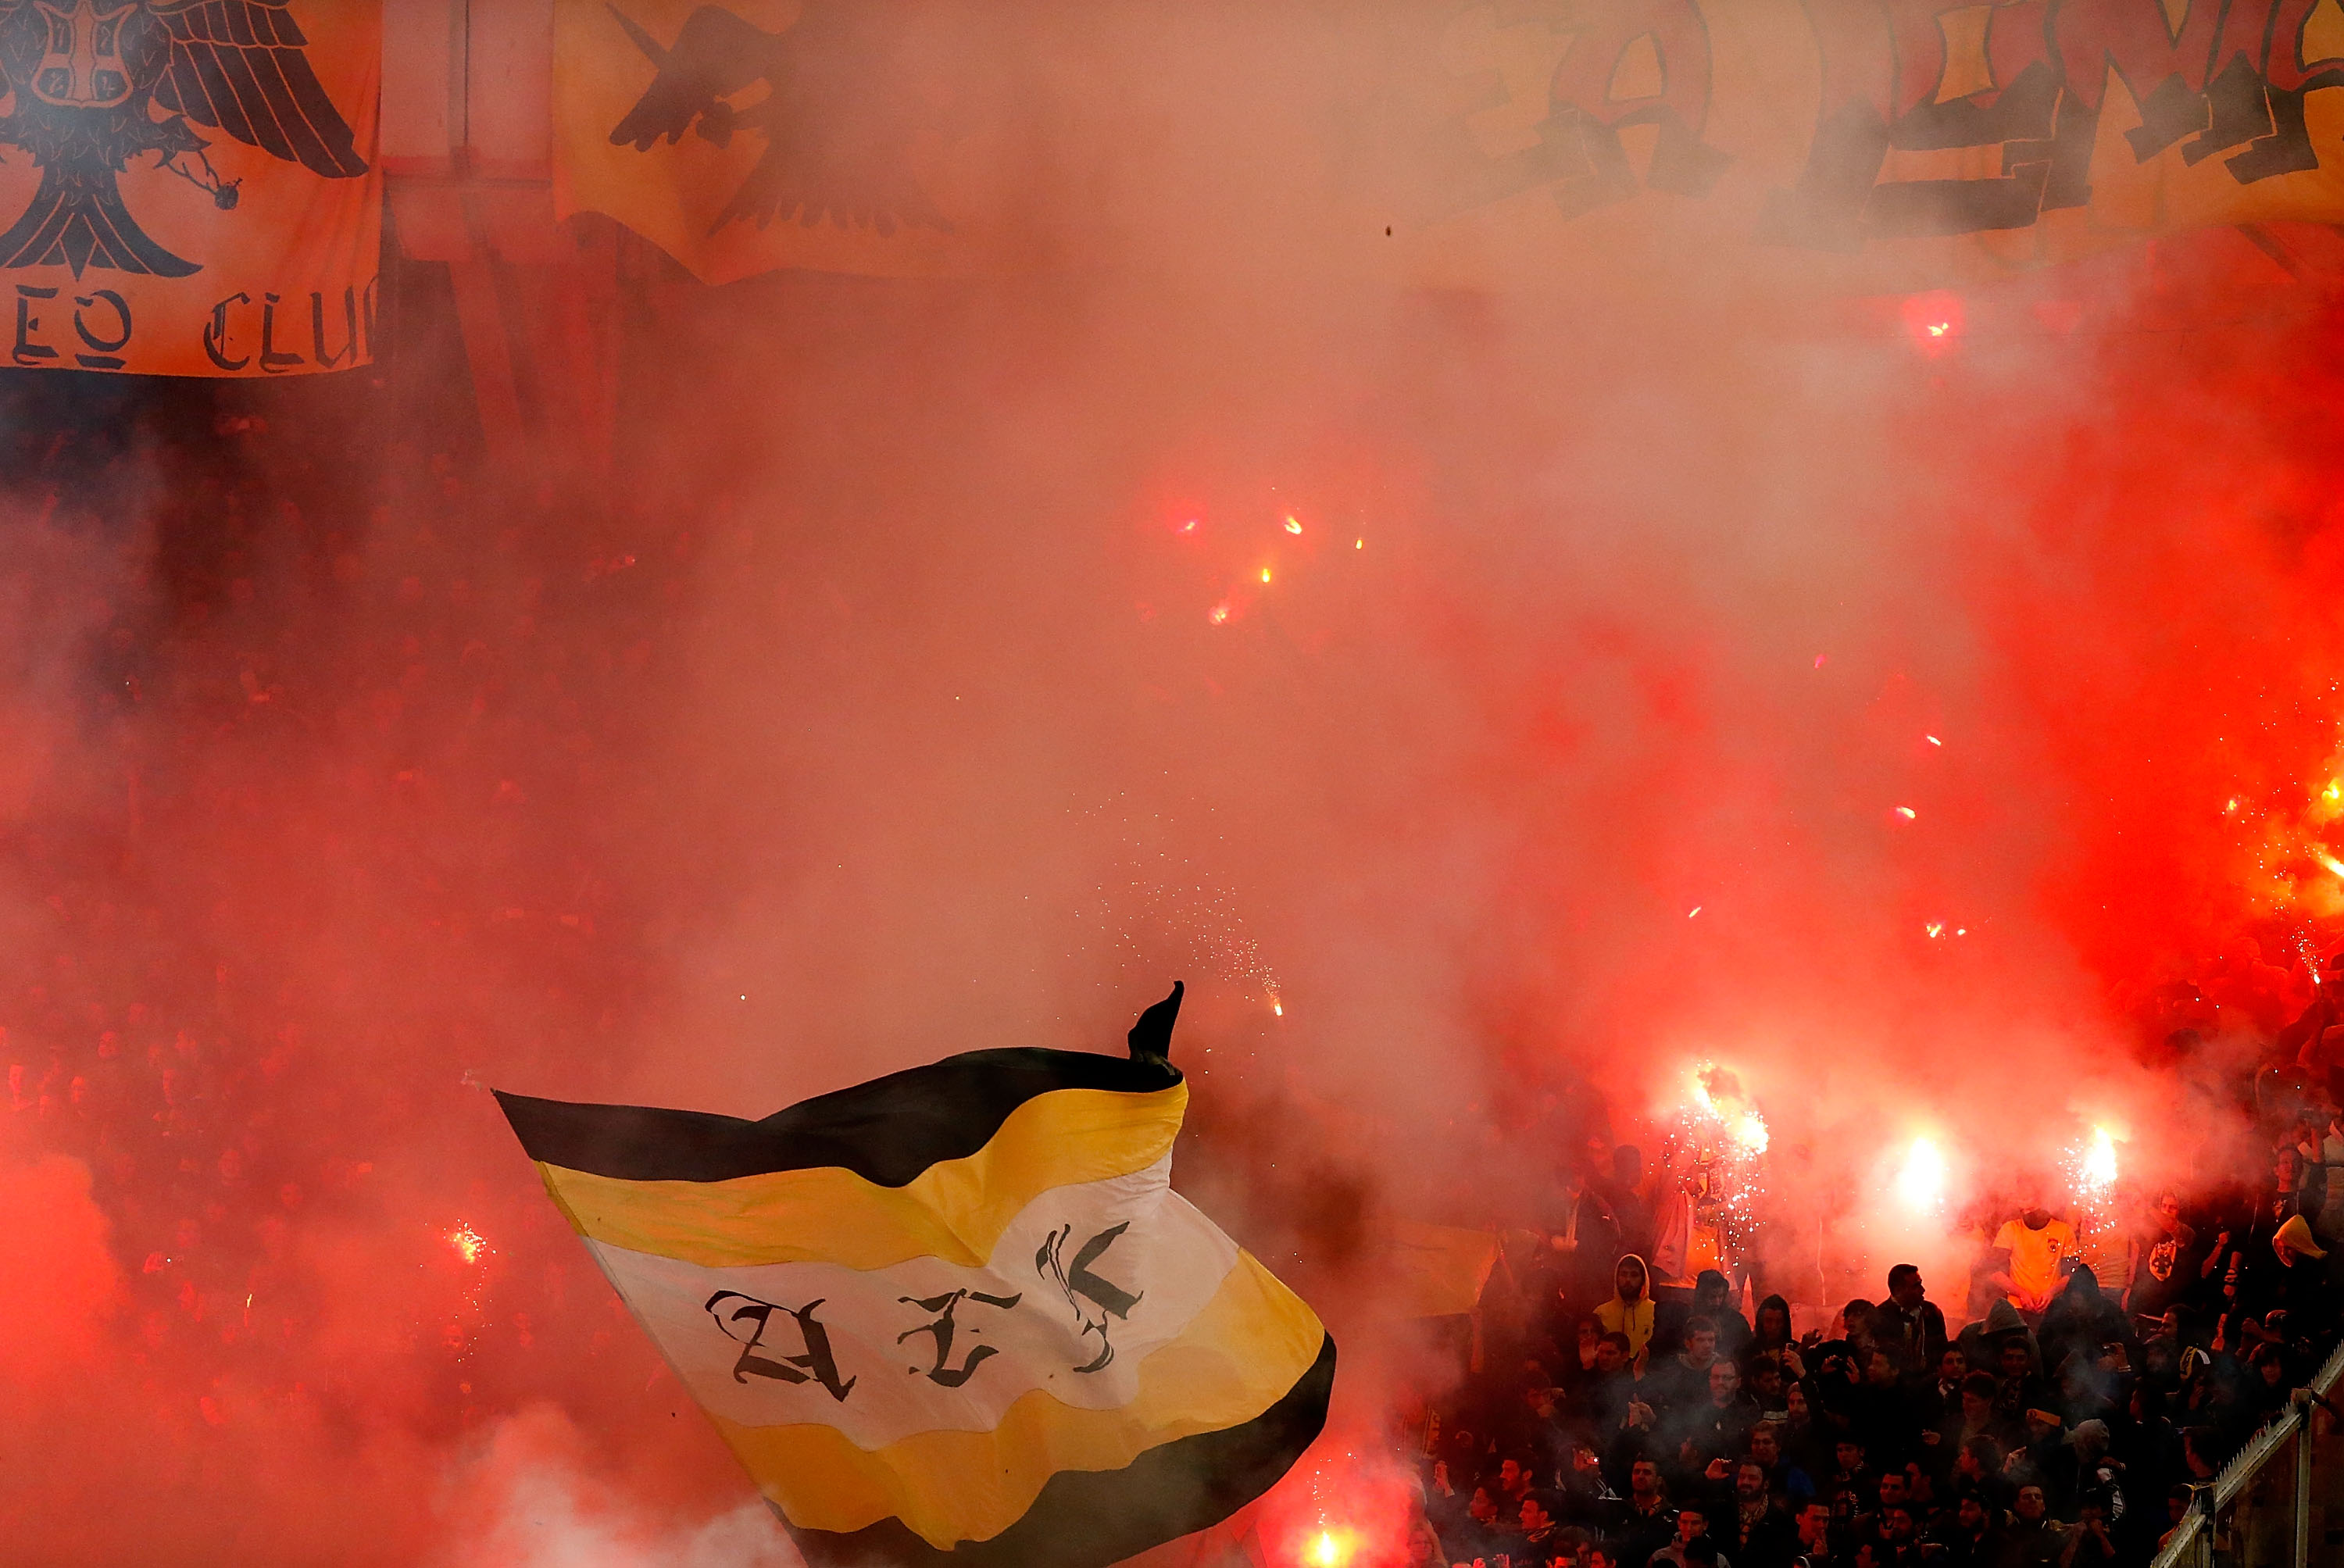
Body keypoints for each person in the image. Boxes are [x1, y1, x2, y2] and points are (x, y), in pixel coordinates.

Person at [1989, 1207, 2078, 1320]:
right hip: (2017, 1311)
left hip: (2054, 1309)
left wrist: (2051, 1292)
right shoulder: (2011, 1229)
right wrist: (2021, 1293)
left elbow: (2071, 1273)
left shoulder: (2064, 1231)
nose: (2027, 1210)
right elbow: (1994, 1273)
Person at [1876, 1265, 1949, 1373]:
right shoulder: (1879, 1317)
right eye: (1916, 1286)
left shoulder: (1932, 1312)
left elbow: (1943, 1350)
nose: (1923, 1290)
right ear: (1898, 1290)